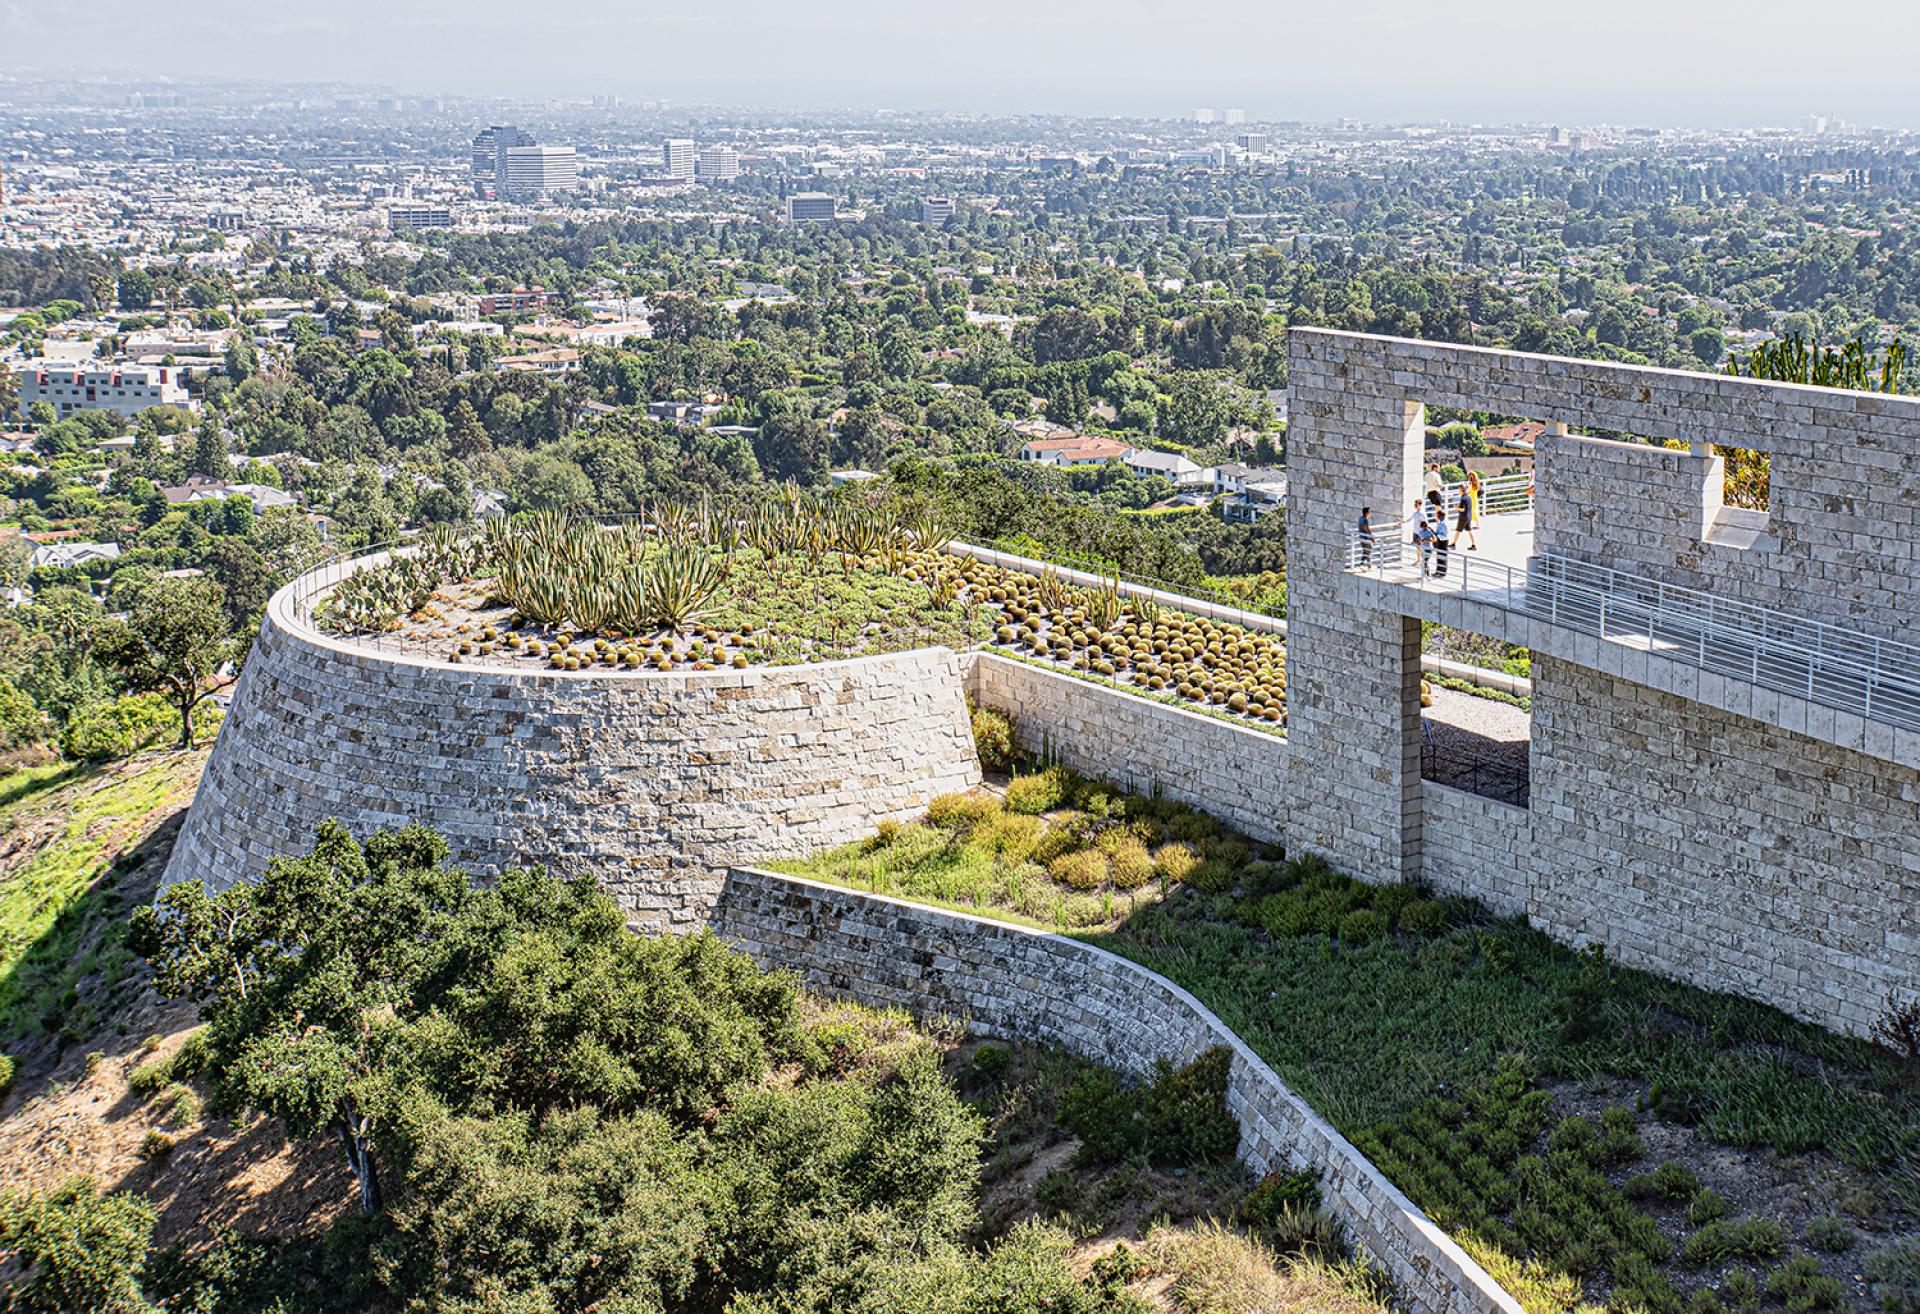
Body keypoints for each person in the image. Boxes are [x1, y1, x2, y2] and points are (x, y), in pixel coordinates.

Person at [1427, 489, 1451, 578]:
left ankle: (1442, 572)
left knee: (1442, 557)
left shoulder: (1444, 524)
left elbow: (1444, 534)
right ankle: (1438, 571)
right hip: (1440, 540)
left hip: (1443, 541)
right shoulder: (1441, 523)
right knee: (1439, 557)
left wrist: (1436, 535)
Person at [1458, 470, 1480, 550]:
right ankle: (1477, 524)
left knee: (1471, 511)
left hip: (1470, 498)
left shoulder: (1470, 483)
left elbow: (1467, 490)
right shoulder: (1476, 483)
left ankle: (1473, 523)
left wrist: (1465, 489)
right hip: (1474, 497)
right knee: (1474, 510)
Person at [1410, 502, 1434, 576]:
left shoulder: (1426, 531)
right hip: (1418, 534)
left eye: (1417, 504)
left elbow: (1433, 539)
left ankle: (1427, 574)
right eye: (1415, 505)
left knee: (1425, 561)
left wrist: (1426, 540)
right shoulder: (1422, 532)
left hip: (1427, 548)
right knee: (1424, 560)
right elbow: (1419, 540)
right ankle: (1425, 573)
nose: (1416, 506)